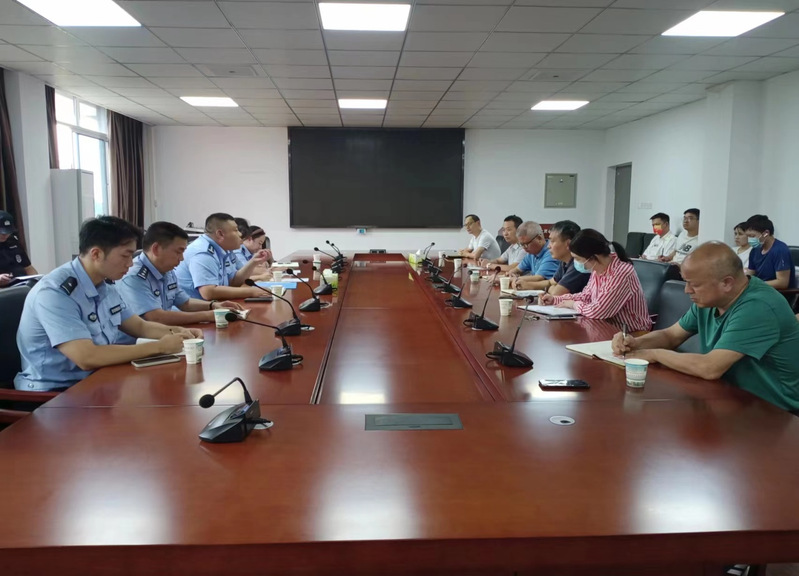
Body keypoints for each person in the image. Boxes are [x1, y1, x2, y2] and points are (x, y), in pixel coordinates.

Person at [14, 216, 201, 392]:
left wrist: (178, 332)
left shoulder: (105, 285)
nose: (131, 263)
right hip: (55, 393)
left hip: (99, 379)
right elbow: (86, 357)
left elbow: (139, 326)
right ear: (96, 254)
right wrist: (160, 347)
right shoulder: (55, 293)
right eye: (125, 256)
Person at [612, 242, 799, 413]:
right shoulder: (710, 300)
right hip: (728, 397)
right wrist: (636, 343)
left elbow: (710, 367)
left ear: (727, 283)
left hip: (774, 412)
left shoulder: (758, 307)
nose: (687, 290)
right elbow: (671, 335)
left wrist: (654, 354)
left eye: (694, 284)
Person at [118, 221, 242, 325]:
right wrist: (209, 315)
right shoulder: (134, 277)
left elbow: (185, 303)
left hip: (161, 334)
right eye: (178, 252)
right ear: (156, 249)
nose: (182, 258)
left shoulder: (167, 270)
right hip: (137, 343)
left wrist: (213, 305)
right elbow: (156, 317)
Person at [540, 229, 651, 332]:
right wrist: (555, 300)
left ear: (592, 257)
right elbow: (586, 296)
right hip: (605, 328)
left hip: (632, 333)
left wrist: (574, 304)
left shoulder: (621, 272)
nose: (575, 263)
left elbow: (598, 311)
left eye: (577, 259)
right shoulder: (597, 269)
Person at [175, 212, 271, 300]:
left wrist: (253, 262)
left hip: (214, 305)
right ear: (220, 234)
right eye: (236, 230)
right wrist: (251, 292)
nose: (240, 234)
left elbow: (234, 281)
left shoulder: (225, 249)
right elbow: (208, 292)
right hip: (194, 310)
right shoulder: (203, 253)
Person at [513, 220, 589, 296]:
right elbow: (550, 282)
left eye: (552, 241)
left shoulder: (579, 265)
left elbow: (556, 293)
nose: (548, 246)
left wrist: (549, 288)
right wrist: (528, 285)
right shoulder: (564, 262)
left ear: (568, 244)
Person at [744, 214, 795, 290]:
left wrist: (756, 285)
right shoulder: (755, 250)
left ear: (766, 233)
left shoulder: (780, 250)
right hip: (760, 289)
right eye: (748, 236)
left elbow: (782, 282)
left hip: (776, 293)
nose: (750, 239)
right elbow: (750, 274)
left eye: (752, 236)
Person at [508, 221, 559, 286]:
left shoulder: (551, 252)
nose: (524, 248)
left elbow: (539, 278)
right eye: (522, 244)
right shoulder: (531, 253)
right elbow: (518, 269)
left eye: (526, 244)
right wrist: (512, 272)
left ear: (539, 238)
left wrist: (513, 279)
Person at [0, 210, 37, 287]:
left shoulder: (13, 241)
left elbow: (28, 268)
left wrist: (37, 281)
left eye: (8, 232)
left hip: (21, 286)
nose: (5, 235)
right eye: (2, 232)